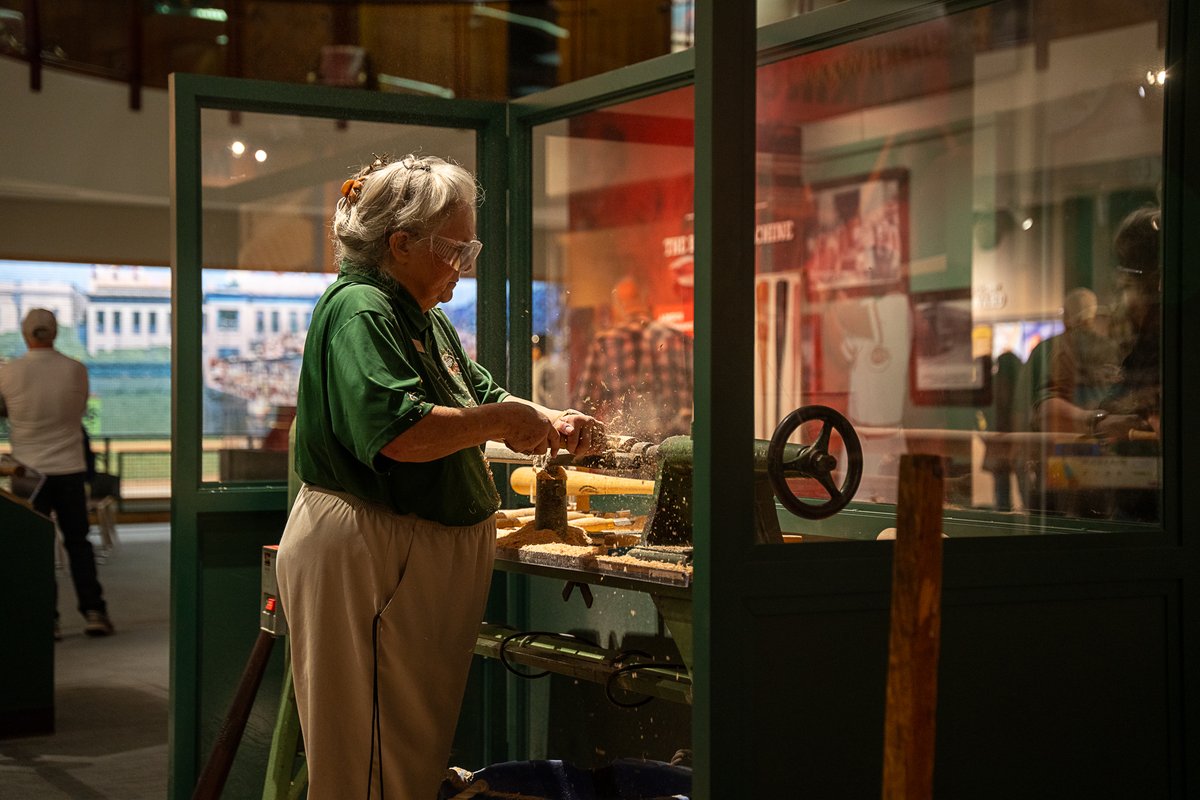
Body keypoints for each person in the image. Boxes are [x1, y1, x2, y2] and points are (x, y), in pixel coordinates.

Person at [275, 153, 606, 800]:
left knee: (405, 752)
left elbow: (479, 404)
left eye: (469, 245)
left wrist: (548, 421)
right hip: (374, 544)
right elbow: (402, 433)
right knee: (370, 761)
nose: (465, 263)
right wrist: (506, 417)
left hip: (410, 547)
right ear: (400, 244)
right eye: (455, 247)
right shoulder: (363, 310)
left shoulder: (424, 317)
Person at [0, 308, 114, 638]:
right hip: (69, 469)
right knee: (78, 543)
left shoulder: (9, 372)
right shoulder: (76, 370)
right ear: (54, 333)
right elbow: (75, 412)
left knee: (34, 546)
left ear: (25, 334)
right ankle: (94, 611)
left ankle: (45, 618)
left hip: (27, 472)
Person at [574, 276, 693, 441]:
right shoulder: (680, 340)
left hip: (629, 454)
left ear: (617, 308)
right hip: (676, 452)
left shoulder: (605, 344)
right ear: (649, 301)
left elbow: (582, 408)